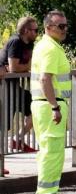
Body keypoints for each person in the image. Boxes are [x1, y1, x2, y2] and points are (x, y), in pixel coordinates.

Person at [30, 10, 73, 194]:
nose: (65, 30)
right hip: (50, 105)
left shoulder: (46, 45)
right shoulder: (50, 48)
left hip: (43, 105)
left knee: (47, 151)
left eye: (65, 26)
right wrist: (55, 106)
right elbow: (45, 78)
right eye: (61, 26)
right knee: (53, 152)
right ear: (48, 27)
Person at [2, 16, 38, 153]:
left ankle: (17, 140)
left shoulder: (29, 44)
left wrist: (25, 66)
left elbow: (26, 65)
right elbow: (13, 68)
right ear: (25, 30)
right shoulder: (15, 42)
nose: (37, 33)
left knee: (36, 109)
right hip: (4, 87)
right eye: (35, 30)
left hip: (14, 87)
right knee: (4, 125)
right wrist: (27, 66)